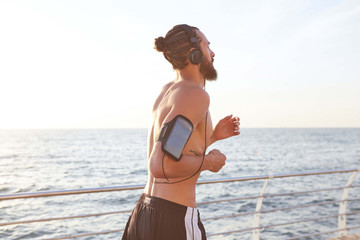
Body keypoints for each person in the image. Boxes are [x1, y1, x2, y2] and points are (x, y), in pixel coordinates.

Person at [122, 24, 240, 240]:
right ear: (193, 54)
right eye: (207, 46)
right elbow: (161, 164)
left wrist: (211, 136)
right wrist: (209, 162)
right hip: (173, 219)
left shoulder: (168, 91)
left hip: (144, 214)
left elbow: (173, 148)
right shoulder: (194, 95)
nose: (213, 54)